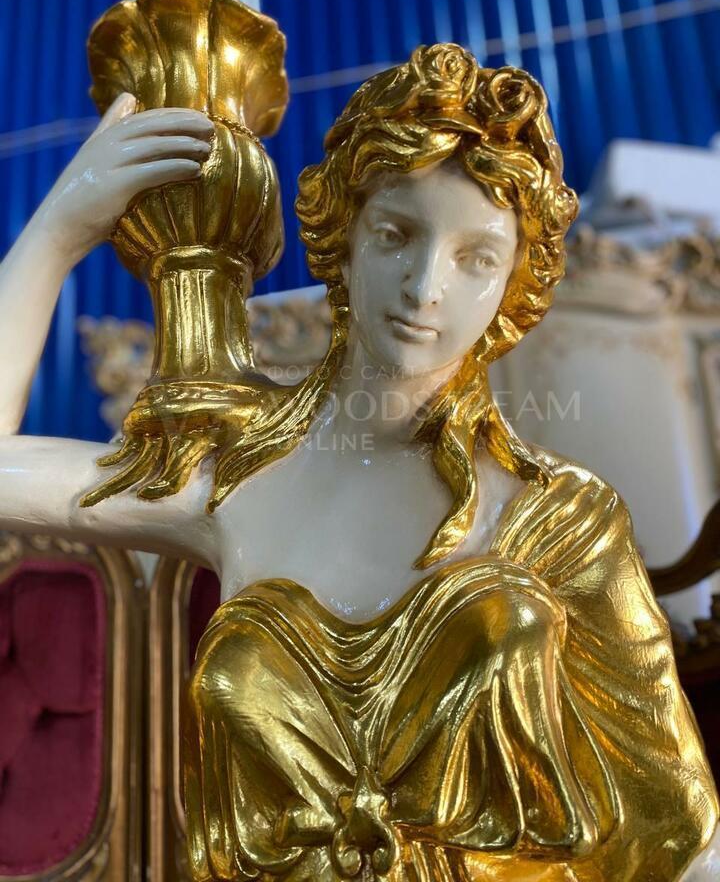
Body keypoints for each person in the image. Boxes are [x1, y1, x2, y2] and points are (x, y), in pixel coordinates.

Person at [0, 44, 716, 881]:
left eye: (477, 258)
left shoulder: (563, 520)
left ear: (514, 286)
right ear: (343, 237)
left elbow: (681, 831)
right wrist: (57, 231)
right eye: (397, 234)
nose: (425, 286)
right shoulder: (232, 476)